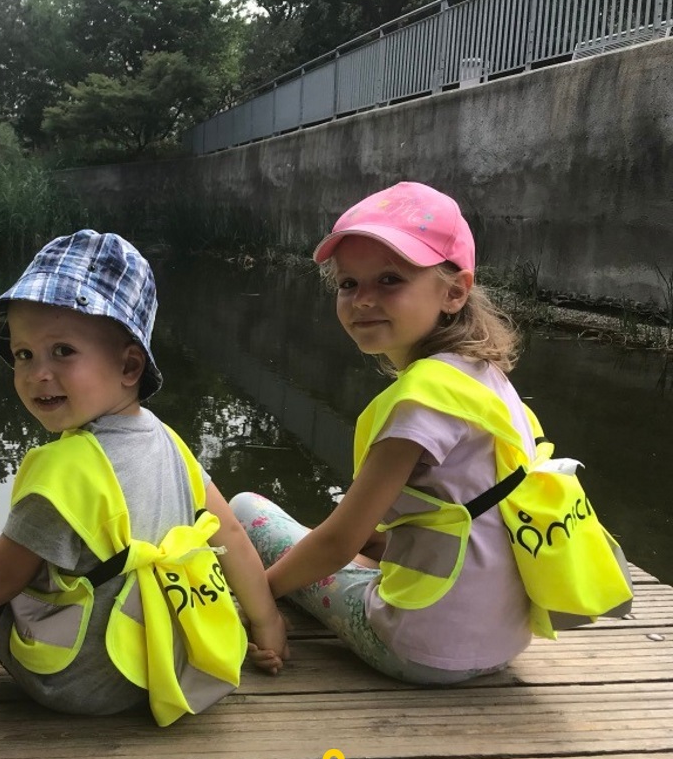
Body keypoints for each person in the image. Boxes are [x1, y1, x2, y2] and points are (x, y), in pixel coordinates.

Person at [233, 181, 632, 685]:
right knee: (355, 543)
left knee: (247, 511)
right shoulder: (481, 374)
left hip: (419, 649)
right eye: (348, 283)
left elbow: (338, 543)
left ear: (454, 292)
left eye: (389, 280)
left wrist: (256, 602)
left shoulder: (420, 404)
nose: (362, 300)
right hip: (503, 640)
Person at [0, 230, 288, 725]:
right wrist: (267, 623)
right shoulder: (170, 441)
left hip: (81, 684)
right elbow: (232, 536)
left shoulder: (62, 471)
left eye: (62, 351)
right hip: (170, 662)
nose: (37, 373)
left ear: (129, 365)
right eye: (24, 354)